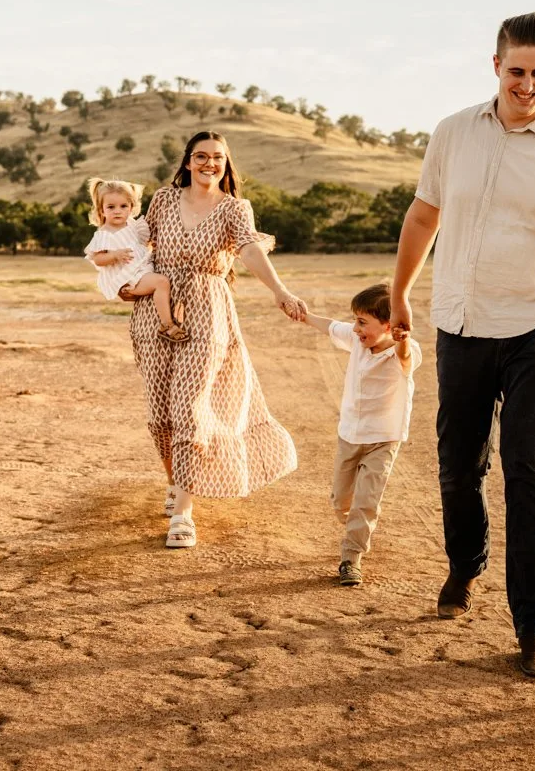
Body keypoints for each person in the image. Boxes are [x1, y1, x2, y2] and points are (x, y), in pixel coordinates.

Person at [390, 11, 535, 677]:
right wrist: (399, 293)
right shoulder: (453, 133)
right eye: (517, 71)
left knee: (529, 469)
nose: (527, 85)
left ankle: (534, 626)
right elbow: (423, 215)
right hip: (461, 321)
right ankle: (465, 564)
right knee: (459, 464)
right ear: (495, 66)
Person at [120, 131, 306, 549]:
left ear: (226, 163)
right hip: (154, 311)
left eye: (217, 157)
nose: (209, 163)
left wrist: (279, 291)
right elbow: (135, 244)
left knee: (190, 408)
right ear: (188, 161)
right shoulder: (163, 199)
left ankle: (183, 513)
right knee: (160, 413)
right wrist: (118, 280)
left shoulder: (235, 208)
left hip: (208, 311)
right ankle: (176, 481)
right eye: (201, 156)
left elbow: (250, 250)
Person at [298, 282, 422, 587]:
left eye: (363, 322)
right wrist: (303, 315)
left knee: (366, 501)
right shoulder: (357, 341)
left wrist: (403, 339)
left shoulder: (403, 352)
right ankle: (357, 523)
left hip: (383, 439)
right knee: (341, 501)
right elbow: (331, 326)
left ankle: (351, 558)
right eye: (356, 320)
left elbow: (405, 356)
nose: (355, 328)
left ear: (388, 325)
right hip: (350, 435)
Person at [82, 177, 186, 341]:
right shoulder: (104, 234)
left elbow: (144, 242)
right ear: (101, 210)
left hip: (141, 269)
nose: (117, 211)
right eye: (111, 207)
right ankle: (167, 325)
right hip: (129, 278)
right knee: (162, 282)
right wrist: (114, 255)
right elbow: (98, 259)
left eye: (123, 206)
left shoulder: (133, 225)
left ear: (131, 208)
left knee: (165, 282)